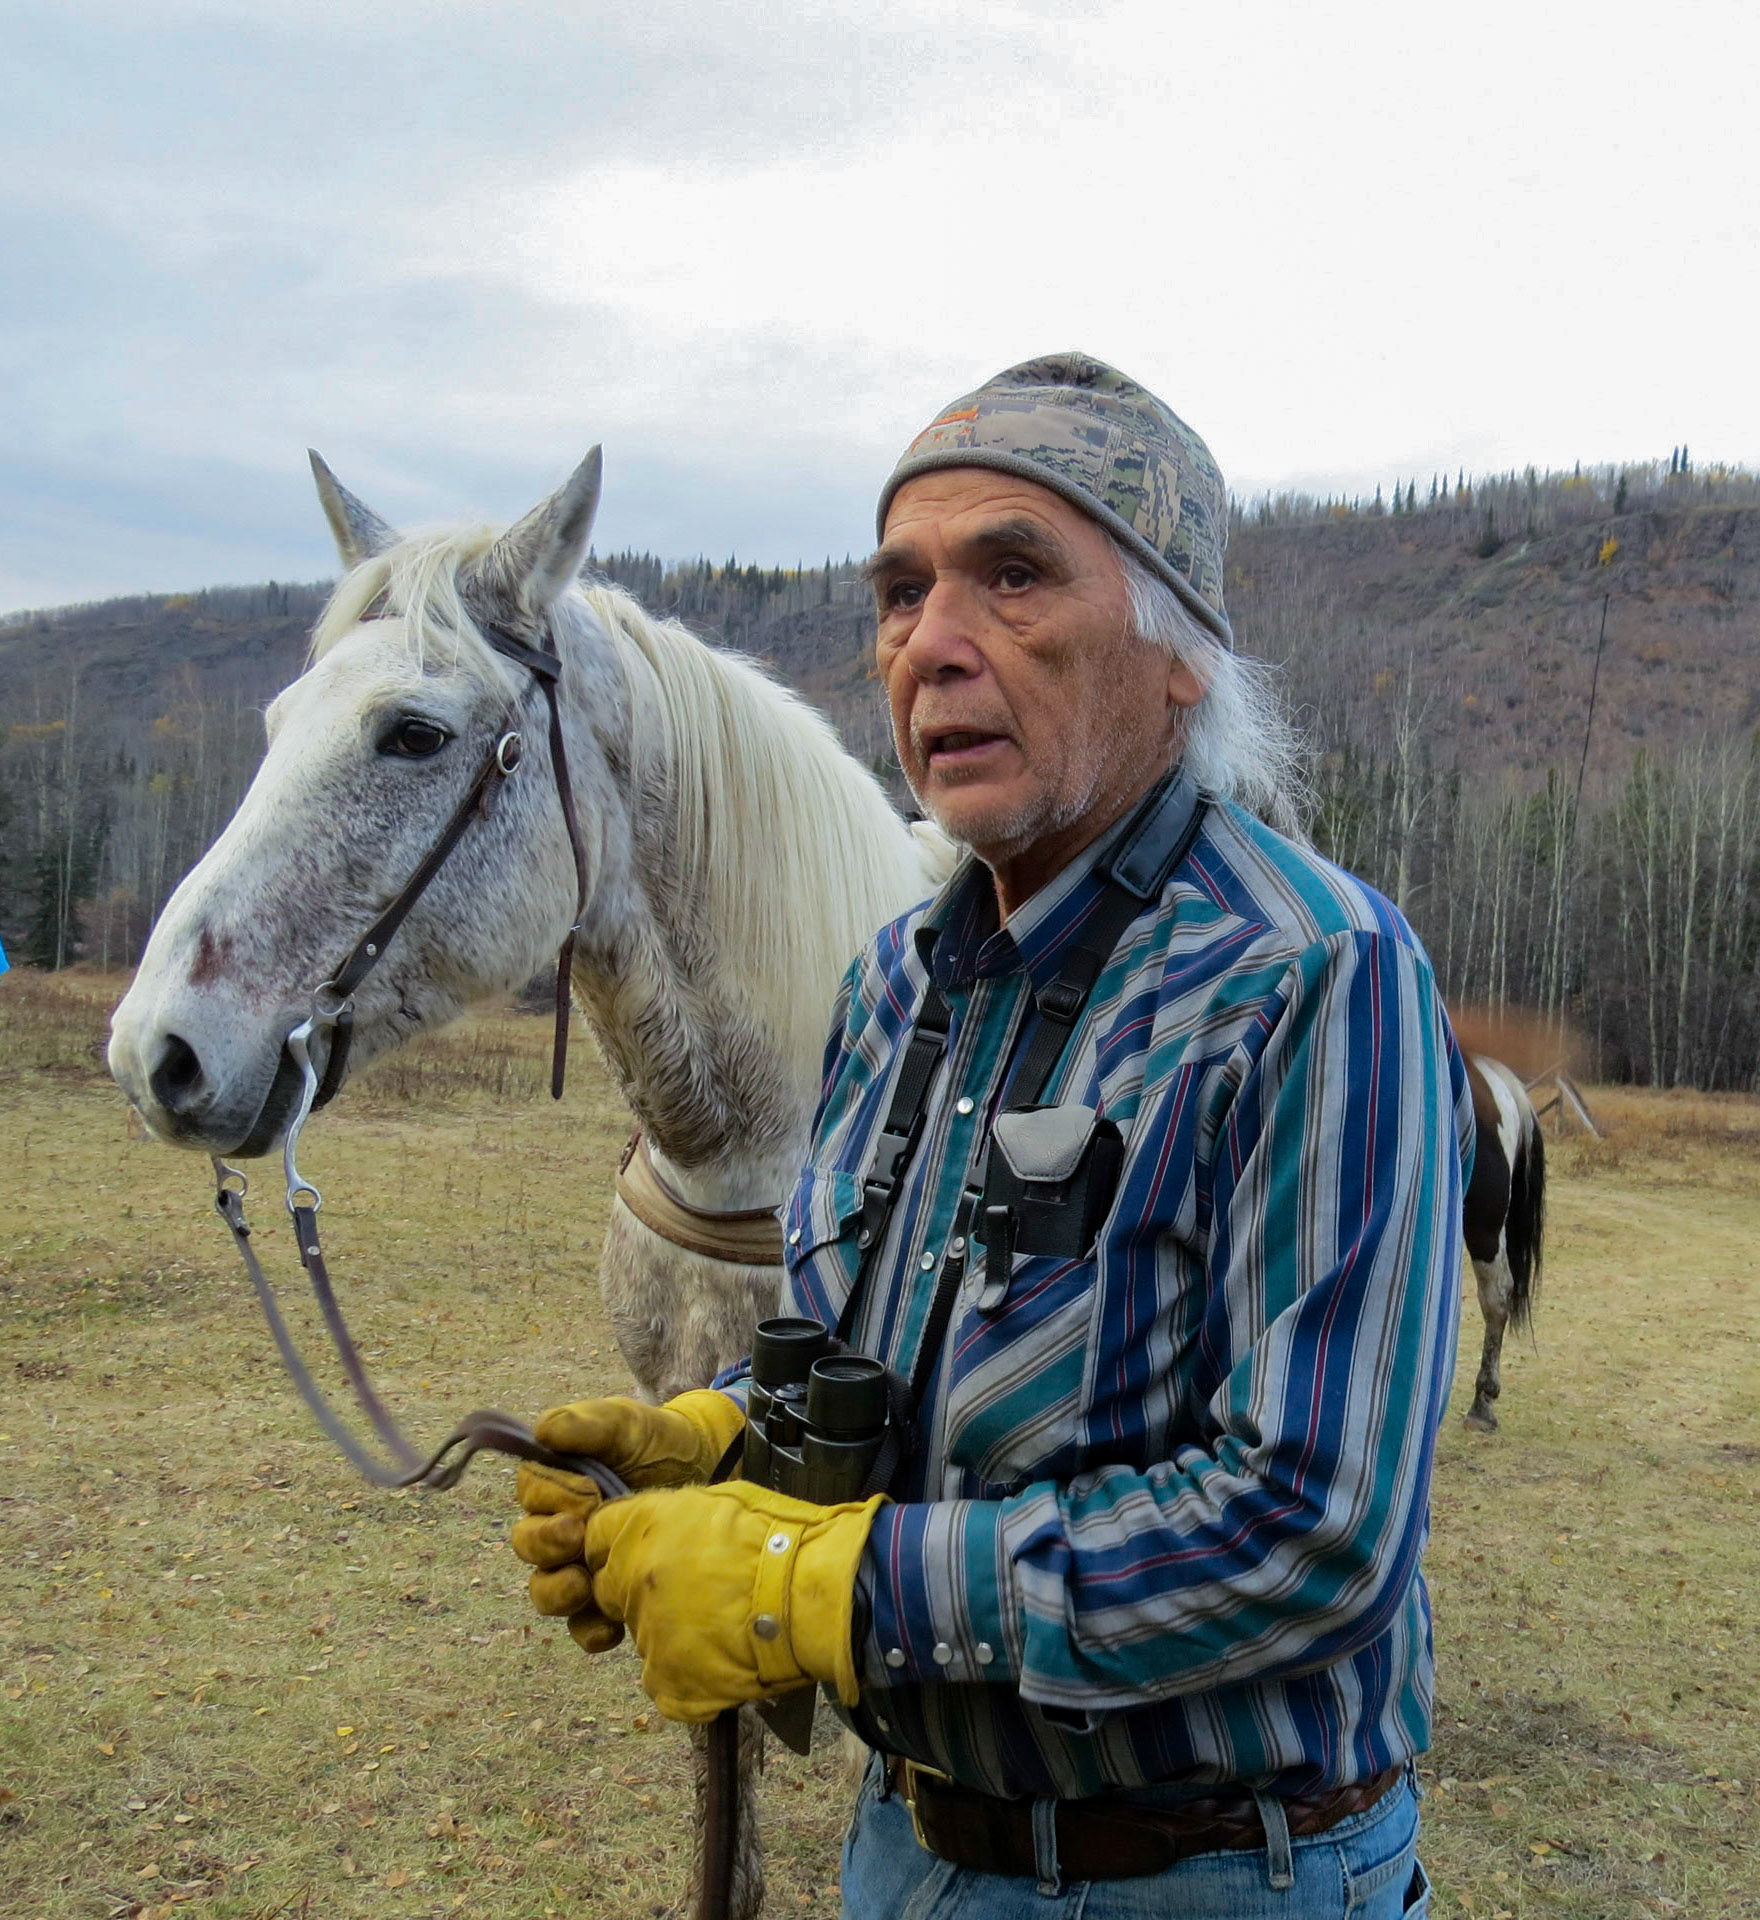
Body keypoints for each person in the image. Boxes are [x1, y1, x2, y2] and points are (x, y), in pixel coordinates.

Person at [511, 353, 1468, 1917]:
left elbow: (1311, 1527)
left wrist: (828, 1589)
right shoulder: (898, 983)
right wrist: (716, 1441)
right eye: (901, 592)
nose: (932, 645)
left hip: (1207, 1877)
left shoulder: (1310, 974)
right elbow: (886, 1360)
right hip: (910, 1847)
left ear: (1179, 652)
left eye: (1012, 576)